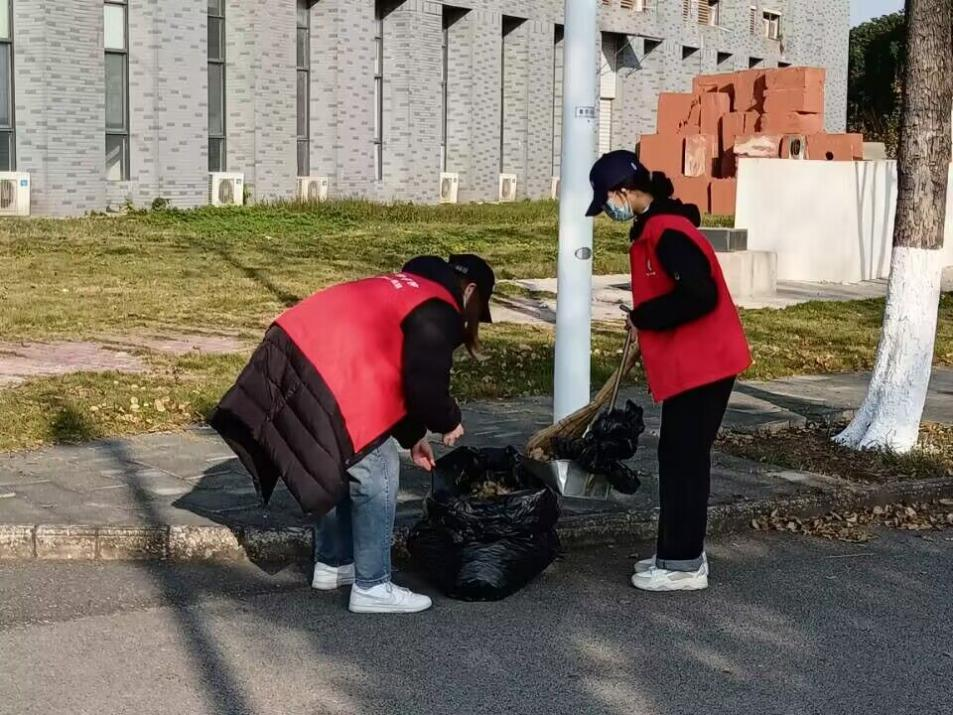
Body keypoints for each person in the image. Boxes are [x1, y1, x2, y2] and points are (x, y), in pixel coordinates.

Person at [209, 254, 496, 613]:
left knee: (338, 457)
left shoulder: (406, 288)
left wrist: (413, 437)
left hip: (290, 346)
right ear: (470, 292)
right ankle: (373, 586)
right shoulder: (439, 309)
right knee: (378, 466)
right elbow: (425, 388)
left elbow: (393, 375)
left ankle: (334, 563)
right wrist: (449, 420)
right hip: (325, 367)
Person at [587, 150, 751, 593]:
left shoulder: (667, 232)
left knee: (685, 460)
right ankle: (674, 552)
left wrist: (645, 317)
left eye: (607, 201)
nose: (608, 211)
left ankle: (684, 563)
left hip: (706, 363)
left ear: (625, 192)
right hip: (694, 364)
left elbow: (701, 294)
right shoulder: (658, 227)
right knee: (677, 456)